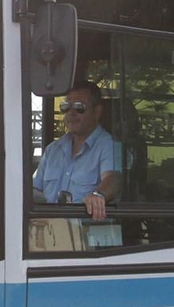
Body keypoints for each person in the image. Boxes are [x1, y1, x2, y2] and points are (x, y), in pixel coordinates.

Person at [32, 81, 120, 220]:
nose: (71, 113)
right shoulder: (52, 150)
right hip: (50, 231)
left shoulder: (110, 145)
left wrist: (98, 195)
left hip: (88, 234)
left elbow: (113, 179)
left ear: (97, 112)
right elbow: (35, 191)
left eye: (80, 107)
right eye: (66, 107)